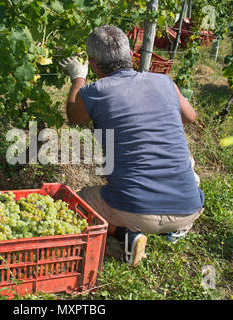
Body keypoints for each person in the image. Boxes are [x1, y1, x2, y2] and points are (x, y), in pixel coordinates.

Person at [59, 25, 205, 267]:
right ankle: (178, 227)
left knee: (80, 200)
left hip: (136, 211)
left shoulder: (95, 91)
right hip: (189, 207)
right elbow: (191, 117)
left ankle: (124, 235)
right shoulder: (166, 82)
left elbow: (73, 116)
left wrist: (78, 78)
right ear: (131, 55)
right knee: (189, 165)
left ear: (94, 64)